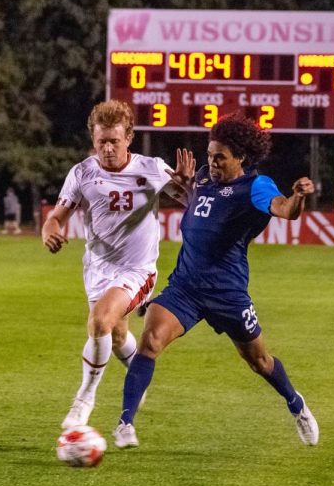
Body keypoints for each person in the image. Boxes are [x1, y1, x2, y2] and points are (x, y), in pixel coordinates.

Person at [114, 113, 319, 450]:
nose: (212, 161)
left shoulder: (255, 186)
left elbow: (285, 210)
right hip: (186, 287)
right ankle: (125, 423)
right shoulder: (205, 178)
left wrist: (298, 196)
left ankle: (296, 404)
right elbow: (195, 204)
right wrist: (181, 185)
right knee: (149, 341)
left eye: (220, 157)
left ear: (241, 158)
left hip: (228, 293)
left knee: (259, 362)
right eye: (209, 155)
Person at [42, 100, 192, 432]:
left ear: (128, 139)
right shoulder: (82, 173)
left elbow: (193, 203)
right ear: (93, 141)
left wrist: (184, 185)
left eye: (114, 141)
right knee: (118, 330)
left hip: (137, 270)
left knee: (99, 323)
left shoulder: (151, 168)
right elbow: (56, 217)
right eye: (101, 142)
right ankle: (137, 377)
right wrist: (49, 230)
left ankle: (85, 399)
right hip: (97, 268)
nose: (108, 149)